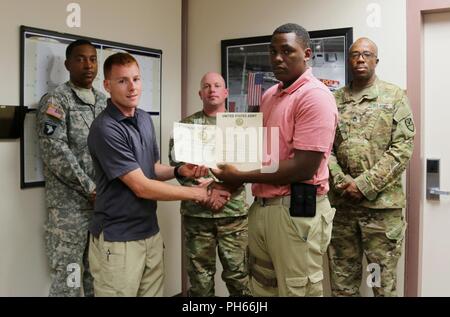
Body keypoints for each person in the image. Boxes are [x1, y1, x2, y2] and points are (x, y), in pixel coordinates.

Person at [87, 53, 230, 297]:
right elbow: (141, 186)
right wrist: (197, 193)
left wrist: (178, 170)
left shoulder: (143, 118)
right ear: (107, 86)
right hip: (119, 240)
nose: (132, 87)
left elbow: (151, 168)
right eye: (122, 81)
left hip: (150, 233)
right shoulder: (105, 128)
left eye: (136, 79)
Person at [212, 23, 338, 296]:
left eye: (286, 51)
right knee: (262, 287)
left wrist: (240, 177)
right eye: (272, 51)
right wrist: (230, 182)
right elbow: (263, 153)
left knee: (297, 290)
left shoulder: (315, 97)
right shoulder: (270, 95)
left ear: (306, 54)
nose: (277, 58)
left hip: (296, 212)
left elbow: (304, 167)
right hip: (263, 206)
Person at [327, 37, 415, 297]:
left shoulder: (394, 97)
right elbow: (324, 148)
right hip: (343, 209)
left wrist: (364, 185)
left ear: (377, 60)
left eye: (367, 54)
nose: (360, 59)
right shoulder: (334, 100)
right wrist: (343, 183)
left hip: (380, 212)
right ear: (349, 60)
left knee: (380, 284)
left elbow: (402, 149)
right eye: (355, 54)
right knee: (343, 284)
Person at [168, 72, 251, 297]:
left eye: (217, 86)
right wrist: (206, 193)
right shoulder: (186, 126)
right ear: (200, 93)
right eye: (206, 86)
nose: (212, 89)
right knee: (199, 279)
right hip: (197, 215)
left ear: (225, 92)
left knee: (239, 277)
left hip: (232, 215)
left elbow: (249, 168)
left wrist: (222, 190)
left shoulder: (241, 125)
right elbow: (178, 167)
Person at [36, 39, 107, 297]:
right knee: (69, 279)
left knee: (95, 278)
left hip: (101, 207)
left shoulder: (103, 102)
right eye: (80, 59)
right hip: (69, 211)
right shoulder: (56, 101)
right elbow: (55, 151)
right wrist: (91, 188)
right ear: (67, 64)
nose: (88, 65)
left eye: (92, 59)